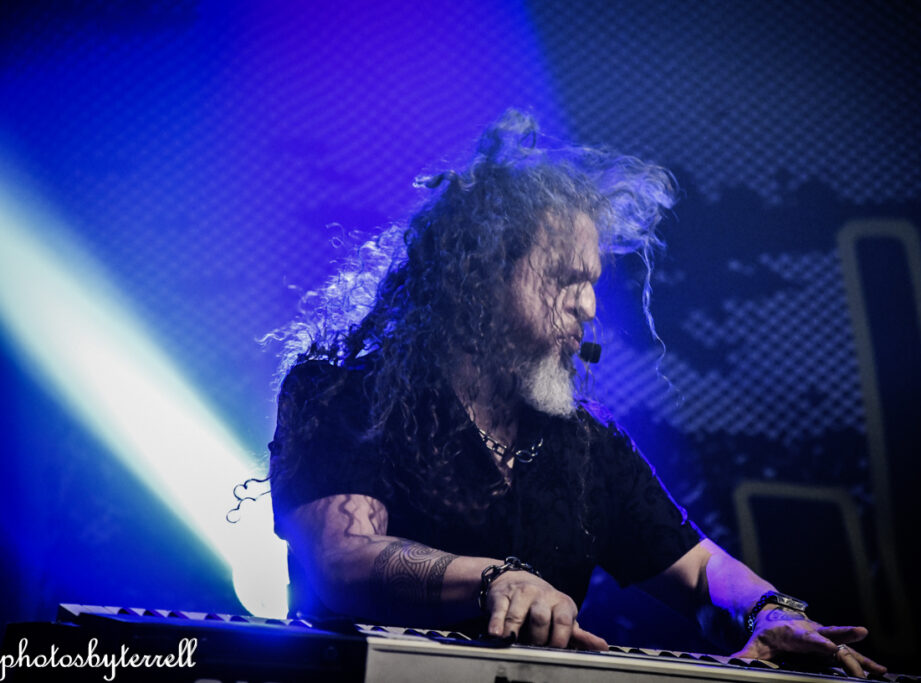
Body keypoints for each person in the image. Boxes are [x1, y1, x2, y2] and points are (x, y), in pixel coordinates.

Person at [267, 110, 886, 678]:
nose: (588, 306)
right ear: (478, 277)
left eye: (591, 283)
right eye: (566, 279)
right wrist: (496, 580)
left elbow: (699, 570)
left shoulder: (586, 442)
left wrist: (766, 611)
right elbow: (342, 556)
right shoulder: (342, 394)